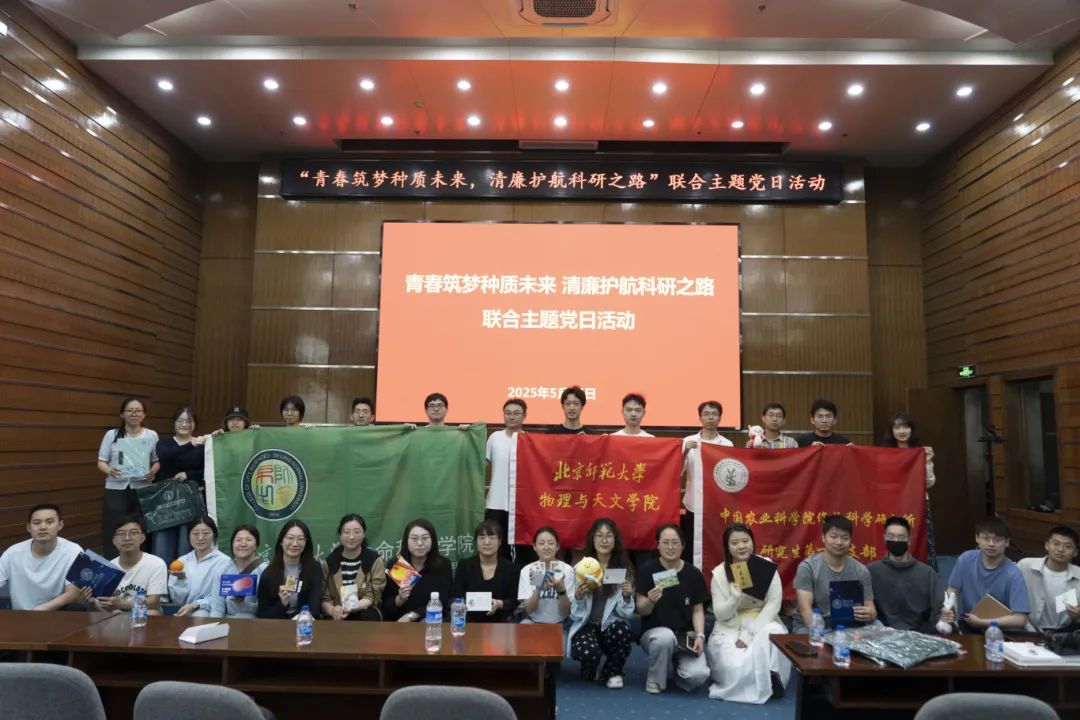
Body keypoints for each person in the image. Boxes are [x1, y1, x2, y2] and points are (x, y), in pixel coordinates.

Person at [707, 524, 790, 704]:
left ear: (752, 542)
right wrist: (734, 599)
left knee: (774, 633)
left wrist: (751, 633)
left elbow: (774, 604)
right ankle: (758, 680)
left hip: (762, 620)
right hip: (730, 626)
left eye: (745, 541)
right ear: (727, 547)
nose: (741, 546)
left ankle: (773, 676)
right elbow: (720, 614)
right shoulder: (720, 574)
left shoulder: (766, 567)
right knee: (735, 664)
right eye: (734, 543)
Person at [635, 524, 709, 694]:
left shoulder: (693, 574)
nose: (670, 547)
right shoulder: (647, 570)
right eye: (665, 542)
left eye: (675, 542)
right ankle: (655, 680)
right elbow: (641, 610)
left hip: (685, 636)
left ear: (683, 545)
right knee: (665, 638)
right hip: (655, 635)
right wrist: (650, 601)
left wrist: (700, 635)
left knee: (698, 676)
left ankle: (678, 669)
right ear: (657, 545)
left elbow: (698, 610)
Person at [567, 518, 635, 689]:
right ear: (592, 539)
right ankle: (590, 666)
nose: (604, 540)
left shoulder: (623, 569)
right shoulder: (581, 568)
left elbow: (626, 614)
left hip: (610, 626)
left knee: (622, 629)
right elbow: (574, 615)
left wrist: (627, 597)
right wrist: (579, 597)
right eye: (599, 535)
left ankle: (612, 671)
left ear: (615, 540)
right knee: (588, 657)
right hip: (586, 626)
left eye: (609, 536)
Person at [941, 516, 1030, 633]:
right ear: (977, 538)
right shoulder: (966, 559)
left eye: (997, 540)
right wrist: (950, 610)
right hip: (967, 623)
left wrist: (982, 622)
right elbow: (952, 590)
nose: (991, 544)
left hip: (1001, 630)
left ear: (1007, 542)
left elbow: (1020, 619)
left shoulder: (1014, 574)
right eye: (986, 538)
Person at [96, 397, 159, 553]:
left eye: (138, 411)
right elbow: (101, 462)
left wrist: (153, 471)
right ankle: (113, 560)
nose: (134, 414)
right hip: (116, 488)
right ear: (122, 414)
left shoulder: (151, 435)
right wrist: (110, 470)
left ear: (144, 415)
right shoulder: (112, 434)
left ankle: (141, 560)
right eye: (129, 410)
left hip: (143, 489)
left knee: (141, 526)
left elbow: (157, 461)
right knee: (113, 526)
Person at [794, 515, 877, 631]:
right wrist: (819, 634)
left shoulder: (861, 570)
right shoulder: (808, 567)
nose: (839, 542)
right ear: (823, 537)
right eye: (833, 536)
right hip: (814, 625)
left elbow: (871, 609)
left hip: (849, 624)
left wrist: (870, 613)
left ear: (850, 540)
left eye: (845, 538)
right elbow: (805, 610)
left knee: (878, 626)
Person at [0, 504, 86, 610]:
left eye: (49, 522)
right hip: (22, 616)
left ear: (60, 525)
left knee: (76, 608)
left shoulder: (74, 551)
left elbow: (73, 593)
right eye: (37, 523)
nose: (43, 527)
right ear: (29, 527)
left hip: (57, 613)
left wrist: (41, 609)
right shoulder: (12, 553)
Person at [867, 516, 944, 632]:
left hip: (919, 635)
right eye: (891, 536)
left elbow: (939, 610)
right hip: (882, 635)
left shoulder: (927, 574)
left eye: (901, 537)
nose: (896, 540)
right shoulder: (871, 571)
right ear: (884, 538)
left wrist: (945, 619)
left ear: (909, 540)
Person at [152, 406, 209, 564]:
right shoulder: (163, 443)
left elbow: (207, 470)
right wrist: (191, 445)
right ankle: (162, 578)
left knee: (186, 543)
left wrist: (189, 475)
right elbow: (165, 456)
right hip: (165, 501)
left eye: (189, 421)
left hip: (190, 500)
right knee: (162, 543)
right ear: (173, 423)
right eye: (180, 420)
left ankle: (184, 577)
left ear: (195, 424)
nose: (185, 424)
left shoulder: (203, 446)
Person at [882, 412, 938, 569]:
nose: (901, 431)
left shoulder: (920, 452)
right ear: (891, 431)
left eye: (905, 427)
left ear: (911, 430)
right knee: (895, 538)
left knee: (921, 539)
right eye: (897, 427)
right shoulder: (884, 454)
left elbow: (929, 483)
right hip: (894, 503)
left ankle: (925, 575)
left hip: (917, 503)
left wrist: (927, 462)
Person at [681, 401, 734, 562]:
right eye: (706, 414)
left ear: (720, 418)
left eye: (714, 414)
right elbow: (677, 472)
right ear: (700, 417)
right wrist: (684, 452)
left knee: (717, 547)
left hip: (718, 506)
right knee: (690, 550)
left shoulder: (727, 444)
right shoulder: (688, 441)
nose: (710, 417)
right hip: (693, 505)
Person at [92, 515, 167, 614]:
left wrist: (122, 604)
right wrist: (92, 602)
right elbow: (104, 607)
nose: (127, 538)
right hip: (116, 615)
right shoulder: (108, 568)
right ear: (114, 541)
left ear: (142, 538)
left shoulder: (156, 563)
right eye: (121, 534)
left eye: (133, 533)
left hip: (142, 615)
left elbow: (153, 602)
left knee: (152, 612)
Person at [382, 518, 453, 621]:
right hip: (399, 622)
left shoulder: (443, 565)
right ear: (406, 541)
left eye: (425, 538)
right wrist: (399, 599)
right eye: (414, 538)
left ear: (432, 540)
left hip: (431, 620)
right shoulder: (396, 565)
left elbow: (443, 601)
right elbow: (386, 605)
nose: (420, 543)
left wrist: (413, 615)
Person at [321, 514, 385, 621]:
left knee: (368, 616)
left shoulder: (374, 560)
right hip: (337, 615)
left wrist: (351, 607)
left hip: (364, 612)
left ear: (364, 534)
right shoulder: (329, 563)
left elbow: (374, 595)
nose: (351, 537)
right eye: (347, 532)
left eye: (357, 532)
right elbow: (324, 598)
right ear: (340, 535)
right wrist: (333, 610)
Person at [452, 520, 518, 623]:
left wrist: (499, 603)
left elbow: (515, 601)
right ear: (476, 541)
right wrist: (462, 604)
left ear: (499, 541)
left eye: (492, 538)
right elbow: (455, 596)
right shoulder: (464, 566)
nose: (487, 542)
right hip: (468, 622)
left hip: (500, 624)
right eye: (482, 538)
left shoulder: (511, 568)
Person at [257, 520, 324, 619]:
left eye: (300, 539)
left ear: (306, 543)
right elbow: (263, 614)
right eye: (290, 538)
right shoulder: (269, 574)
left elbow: (315, 607)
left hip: (305, 623)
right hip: (278, 624)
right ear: (281, 541)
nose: (295, 543)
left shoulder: (315, 569)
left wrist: (299, 620)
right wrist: (282, 604)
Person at [1018, 526, 1080, 632]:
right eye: (1056, 544)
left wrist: (1077, 616)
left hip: (1063, 633)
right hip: (1026, 629)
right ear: (1047, 545)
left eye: (1068, 546)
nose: (1060, 550)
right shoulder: (1025, 566)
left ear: (1075, 552)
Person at [167, 516, 232, 617]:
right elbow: (177, 600)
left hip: (211, 612)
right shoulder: (181, 562)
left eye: (206, 533)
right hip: (184, 611)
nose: (200, 538)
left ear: (214, 535)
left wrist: (197, 605)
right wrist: (180, 579)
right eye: (195, 534)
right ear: (189, 536)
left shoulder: (225, 562)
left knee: (200, 614)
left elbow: (223, 597)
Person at [486, 399, 526, 561]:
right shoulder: (495, 437)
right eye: (508, 413)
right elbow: (482, 465)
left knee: (520, 550)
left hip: (521, 505)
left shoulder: (529, 439)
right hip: (495, 503)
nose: (512, 417)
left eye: (516, 413)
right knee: (495, 546)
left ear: (524, 416)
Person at [518, 527, 575, 624]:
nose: (546, 547)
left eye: (551, 543)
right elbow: (529, 610)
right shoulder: (527, 570)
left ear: (557, 546)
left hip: (561, 623)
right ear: (534, 547)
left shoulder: (567, 570)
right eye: (541, 543)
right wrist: (538, 588)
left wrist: (561, 590)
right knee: (525, 624)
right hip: (534, 622)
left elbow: (568, 611)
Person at [208, 524, 267, 619]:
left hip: (253, 622)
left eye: (248, 540)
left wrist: (245, 603)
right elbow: (217, 609)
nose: (243, 544)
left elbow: (266, 609)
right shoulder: (222, 570)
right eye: (238, 540)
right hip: (227, 622)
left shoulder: (265, 570)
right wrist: (213, 626)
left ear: (256, 545)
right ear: (232, 544)